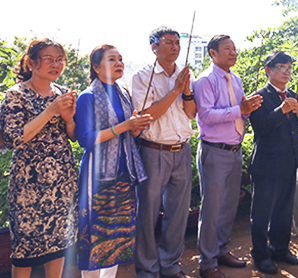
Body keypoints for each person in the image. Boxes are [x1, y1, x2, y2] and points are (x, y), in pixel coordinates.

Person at [0, 38, 78, 278]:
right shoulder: (16, 95)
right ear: (31, 63)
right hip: (29, 184)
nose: (56, 64)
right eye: (48, 59)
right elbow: (14, 139)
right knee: (26, 250)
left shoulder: (64, 93)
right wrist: (50, 111)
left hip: (62, 180)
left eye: (60, 59)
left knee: (58, 247)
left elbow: (73, 136)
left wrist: (68, 119)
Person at [75, 45, 152, 278]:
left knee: (118, 236)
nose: (119, 63)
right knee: (95, 237)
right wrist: (125, 126)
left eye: (120, 59)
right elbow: (86, 139)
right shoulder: (87, 97)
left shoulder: (123, 93)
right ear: (96, 67)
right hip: (97, 178)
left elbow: (129, 133)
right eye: (111, 60)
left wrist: (136, 127)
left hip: (124, 173)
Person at [193, 35, 262, 278]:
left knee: (229, 205)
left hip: (234, 150)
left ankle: (221, 249)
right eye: (227, 49)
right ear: (212, 53)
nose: (233, 53)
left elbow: (239, 112)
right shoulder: (205, 80)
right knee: (211, 208)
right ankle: (207, 262)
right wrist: (239, 110)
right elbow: (206, 116)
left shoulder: (236, 79)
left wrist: (248, 107)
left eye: (234, 49)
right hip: (214, 150)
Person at [130, 27, 197, 278]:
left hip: (182, 149)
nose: (175, 47)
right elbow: (146, 117)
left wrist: (186, 90)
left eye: (178, 43)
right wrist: (176, 90)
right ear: (154, 47)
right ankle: (147, 269)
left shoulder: (184, 75)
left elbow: (191, 114)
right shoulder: (142, 76)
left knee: (178, 212)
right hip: (154, 150)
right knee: (147, 213)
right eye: (169, 42)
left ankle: (170, 265)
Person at [249, 51, 298, 274]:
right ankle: (260, 254)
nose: (286, 73)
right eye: (281, 68)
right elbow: (260, 127)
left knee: (284, 211)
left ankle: (281, 249)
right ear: (269, 70)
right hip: (266, 164)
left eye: (289, 69)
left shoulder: (294, 95)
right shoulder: (259, 96)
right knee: (262, 213)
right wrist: (281, 110)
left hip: (289, 162)